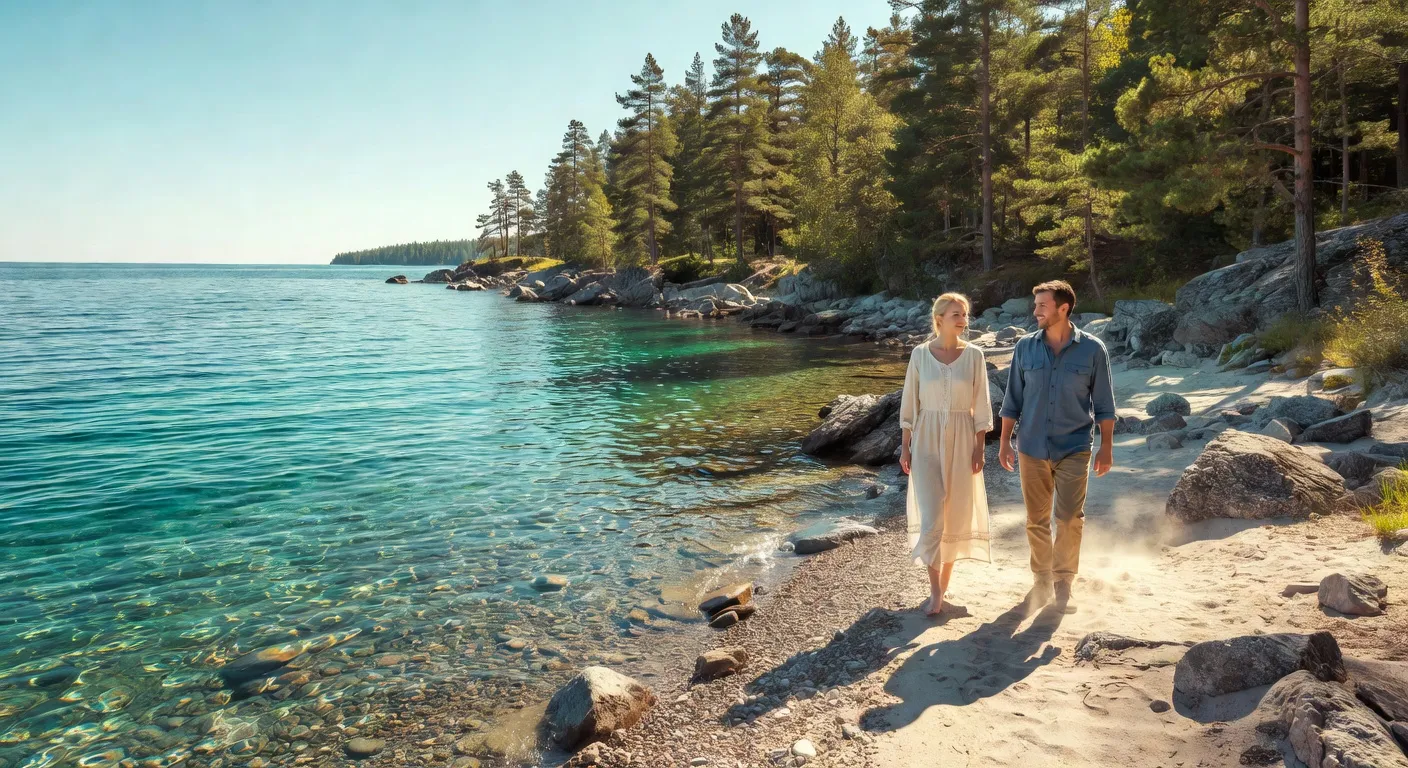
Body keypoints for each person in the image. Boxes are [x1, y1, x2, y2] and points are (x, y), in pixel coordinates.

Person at [998, 280, 1116, 614]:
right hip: (1031, 446)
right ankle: (1041, 578)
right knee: (1036, 520)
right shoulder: (1025, 347)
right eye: (1035, 306)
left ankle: (1064, 579)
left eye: (1041, 306)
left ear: (1063, 309)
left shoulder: (1093, 350)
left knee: (1067, 518)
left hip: (1075, 445)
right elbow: (1012, 400)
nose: (1035, 312)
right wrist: (1005, 441)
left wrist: (1106, 447)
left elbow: (1105, 404)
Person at [899, 293, 993, 616]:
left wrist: (980, 448)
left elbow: (981, 406)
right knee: (932, 516)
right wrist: (904, 444)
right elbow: (910, 403)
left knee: (955, 515)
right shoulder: (920, 355)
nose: (963, 319)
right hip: (925, 438)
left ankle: (941, 590)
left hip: (963, 438)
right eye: (956, 313)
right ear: (939, 318)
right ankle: (935, 591)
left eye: (965, 314)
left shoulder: (975, 356)